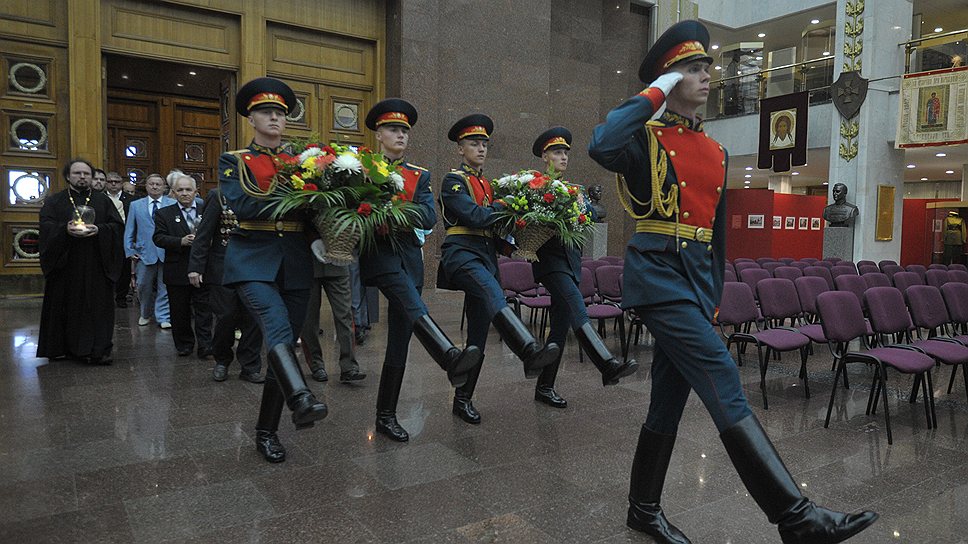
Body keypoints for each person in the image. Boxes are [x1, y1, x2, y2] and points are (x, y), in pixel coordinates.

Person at [588, 19, 877, 544]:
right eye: (693, 70)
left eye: (705, 68)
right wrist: (655, 92)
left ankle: (642, 509)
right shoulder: (643, 140)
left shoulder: (718, 152)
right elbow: (602, 142)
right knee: (726, 383)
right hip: (657, 279)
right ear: (670, 80)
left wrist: (712, 301)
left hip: (694, 289)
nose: (706, 76)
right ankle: (796, 517)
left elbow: (718, 241)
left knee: (666, 403)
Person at [360, 98, 483, 441]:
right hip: (380, 256)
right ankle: (447, 354)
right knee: (409, 300)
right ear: (379, 134)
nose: (399, 135)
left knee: (399, 338)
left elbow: (428, 216)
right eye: (392, 129)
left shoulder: (419, 175)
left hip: (410, 259)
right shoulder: (360, 169)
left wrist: (390, 211)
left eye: (404, 131)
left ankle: (386, 416)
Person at [220, 77, 328, 463]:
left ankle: (266, 431)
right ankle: (300, 394)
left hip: (296, 264)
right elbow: (243, 205)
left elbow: (316, 212)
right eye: (267, 112)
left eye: (281, 113)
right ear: (251, 117)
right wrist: (298, 198)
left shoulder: (304, 165)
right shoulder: (234, 160)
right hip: (252, 261)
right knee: (277, 327)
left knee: (283, 339)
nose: (274, 118)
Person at [437, 113, 560, 425]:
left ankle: (462, 400)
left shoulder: (489, 185)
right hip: (461, 255)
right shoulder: (453, 181)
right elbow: (475, 218)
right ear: (459, 149)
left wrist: (513, 248)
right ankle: (527, 349)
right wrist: (506, 206)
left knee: (478, 334)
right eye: (473, 143)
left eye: (483, 144)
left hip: (485, 257)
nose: (480, 148)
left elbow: (492, 231)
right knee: (495, 294)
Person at [529, 126, 638, 409]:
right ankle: (606, 364)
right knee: (578, 307)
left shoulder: (574, 190)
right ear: (544, 156)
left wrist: (580, 211)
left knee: (559, 328)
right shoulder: (535, 186)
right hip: (551, 265)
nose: (563, 156)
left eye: (565, 152)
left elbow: (590, 214)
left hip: (571, 264)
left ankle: (545, 387)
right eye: (556, 152)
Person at [37, 158, 124, 365]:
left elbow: (117, 227)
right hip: (65, 264)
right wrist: (63, 230)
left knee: (96, 308)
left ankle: (96, 350)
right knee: (64, 306)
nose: (82, 177)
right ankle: (61, 348)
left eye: (86, 174)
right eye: (77, 173)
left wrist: (99, 230)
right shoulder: (55, 201)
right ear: (68, 176)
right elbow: (46, 226)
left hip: (96, 263)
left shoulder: (103, 201)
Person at [187, 187, 264, 383]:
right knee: (225, 316)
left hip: (255, 265)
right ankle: (222, 360)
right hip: (224, 266)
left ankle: (250, 366)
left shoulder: (263, 195)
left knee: (253, 318)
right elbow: (204, 233)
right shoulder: (219, 195)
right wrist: (196, 267)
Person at [152, 174, 213, 357]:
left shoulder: (207, 209)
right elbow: (158, 237)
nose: (185, 193)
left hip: (203, 268)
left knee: (204, 310)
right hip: (177, 269)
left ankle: (205, 345)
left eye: (188, 190)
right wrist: (180, 241)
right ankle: (184, 344)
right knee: (180, 311)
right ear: (173, 193)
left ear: (196, 192)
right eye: (180, 190)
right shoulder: (164, 213)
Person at [299, 258, 365, 383]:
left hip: (337, 261)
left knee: (344, 314)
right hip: (307, 263)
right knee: (309, 319)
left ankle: (349, 366)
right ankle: (316, 364)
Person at [124, 173, 174, 329]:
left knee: (164, 286)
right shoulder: (136, 205)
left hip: (167, 252)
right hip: (144, 252)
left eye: (158, 184)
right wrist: (129, 250)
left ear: (164, 187)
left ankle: (163, 316)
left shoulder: (172, 203)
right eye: (151, 183)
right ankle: (145, 313)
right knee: (143, 285)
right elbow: (129, 229)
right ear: (146, 186)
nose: (154, 186)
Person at [104, 171, 133, 308]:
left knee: (125, 269)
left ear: (122, 184)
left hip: (125, 238)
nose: (114, 184)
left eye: (117, 182)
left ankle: (121, 297)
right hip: (107, 238)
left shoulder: (131, 200)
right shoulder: (100, 198)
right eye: (110, 181)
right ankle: (107, 296)